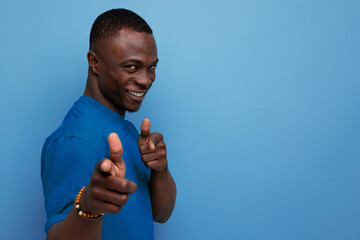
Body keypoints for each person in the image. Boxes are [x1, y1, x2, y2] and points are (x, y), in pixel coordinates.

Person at [41, 8, 176, 240]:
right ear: (95, 63)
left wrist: (160, 169)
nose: (145, 80)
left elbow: (161, 214)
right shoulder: (74, 139)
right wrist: (88, 208)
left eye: (151, 67)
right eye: (131, 67)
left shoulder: (129, 130)